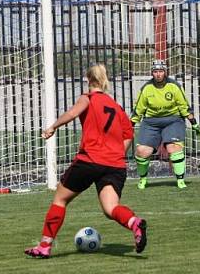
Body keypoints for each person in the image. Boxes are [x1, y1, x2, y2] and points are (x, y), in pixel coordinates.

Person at [25, 63, 147, 259]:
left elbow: (73, 113)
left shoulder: (88, 98)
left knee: (60, 199)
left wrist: (53, 127)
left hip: (90, 160)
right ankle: (134, 222)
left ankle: (44, 247)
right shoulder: (116, 106)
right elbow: (128, 134)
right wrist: (115, 153)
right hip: (115, 165)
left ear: (88, 80)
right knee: (111, 208)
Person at [131, 60, 200, 190]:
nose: (158, 74)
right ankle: (143, 179)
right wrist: (130, 126)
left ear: (165, 72)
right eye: (155, 71)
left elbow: (184, 107)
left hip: (173, 120)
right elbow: (138, 110)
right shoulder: (146, 88)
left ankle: (180, 180)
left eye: (160, 71)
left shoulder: (174, 86)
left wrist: (194, 124)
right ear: (152, 73)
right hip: (151, 122)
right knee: (142, 151)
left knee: (173, 148)